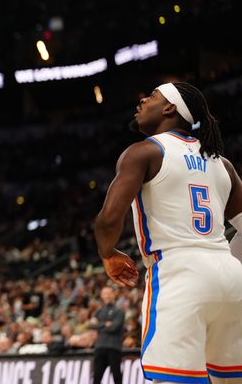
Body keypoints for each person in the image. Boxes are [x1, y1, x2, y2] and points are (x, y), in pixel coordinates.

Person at [94, 82, 242, 383]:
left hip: (180, 274)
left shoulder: (144, 152)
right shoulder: (222, 164)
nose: (143, 100)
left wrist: (108, 253)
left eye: (152, 96)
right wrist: (231, 264)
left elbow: (108, 220)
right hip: (231, 278)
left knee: (173, 380)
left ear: (169, 108)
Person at [89, 286, 124, 384]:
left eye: (109, 293)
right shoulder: (99, 311)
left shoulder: (119, 311)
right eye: (104, 293)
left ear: (114, 294)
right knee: (96, 377)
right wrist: (105, 324)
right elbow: (91, 325)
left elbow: (114, 328)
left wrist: (99, 324)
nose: (107, 296)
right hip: (100, 347)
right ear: (101, 295)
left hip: (114, 348)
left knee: (116, 376)